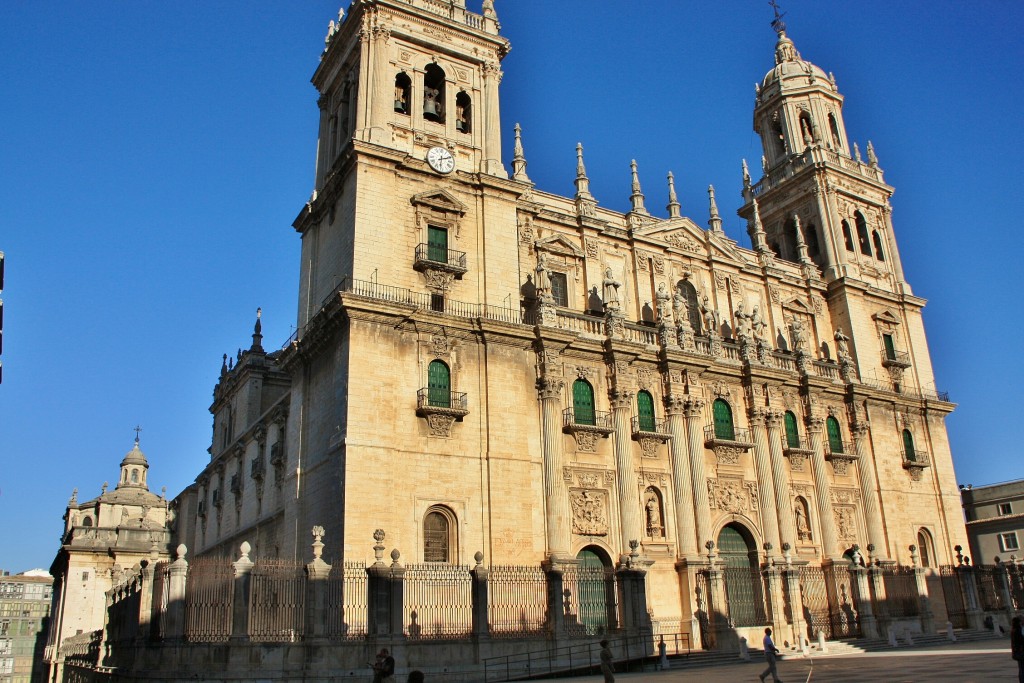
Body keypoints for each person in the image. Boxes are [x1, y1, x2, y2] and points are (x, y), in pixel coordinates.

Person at [1011, 615, 1024, 683]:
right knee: (1022, 669)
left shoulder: (1014, 630)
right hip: (1021, 652)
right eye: (1022, 620)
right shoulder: (1017, 630)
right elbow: (1020, 640)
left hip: (1018, 652)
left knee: (1021, 668)